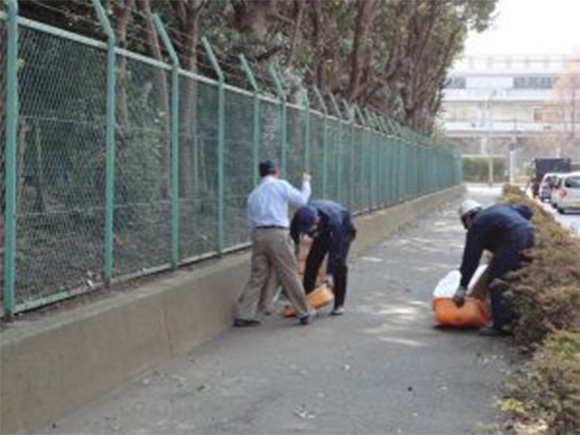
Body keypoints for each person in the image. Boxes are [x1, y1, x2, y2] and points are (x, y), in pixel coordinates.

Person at [234, 160, 314, 327]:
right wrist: (306, 182)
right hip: (278, 234)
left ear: (261, 174)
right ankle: (304, 311)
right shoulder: (281, 185)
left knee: (257, 275)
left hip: (258, 235)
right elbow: (301, 201)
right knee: (289, 273)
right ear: (276, 171)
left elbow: (250, 221)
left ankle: (243, 314)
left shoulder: (254, 194)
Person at [453, 199, 534, 335]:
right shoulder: (497, 210)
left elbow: (471, 260)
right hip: (528, 234)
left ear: (467, 218)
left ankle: (501, 326)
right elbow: (527, 211)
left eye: (464, 223)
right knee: (515, 278)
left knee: (497, 280)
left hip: (513, 240)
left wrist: (462, 287)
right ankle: (515, 318)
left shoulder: (477, 225)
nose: (466, 228)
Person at [290, 200, 357, 316]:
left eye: (310, 229)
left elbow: (336, 251)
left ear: (316, 219)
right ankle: (308, 303)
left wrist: (329, 275)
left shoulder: (335, 221)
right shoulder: (299, 215)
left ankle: (339, 305)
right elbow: (294, 231)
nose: (309, 233)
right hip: (323, 230)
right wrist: (296, 246)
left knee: (339, 265)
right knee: (312, 262)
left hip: (343, 230)